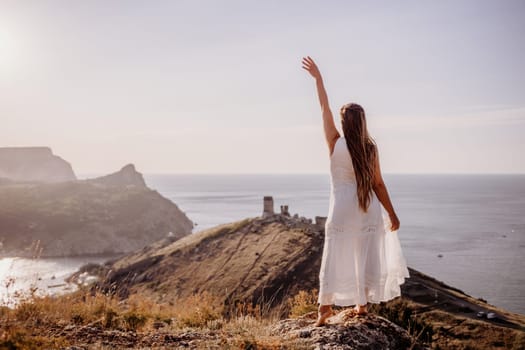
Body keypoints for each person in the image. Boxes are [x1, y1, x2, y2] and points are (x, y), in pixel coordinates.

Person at [301, 56, 409, 327]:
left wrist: (319, 79)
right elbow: (379, 184)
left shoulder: (335, 143)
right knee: (364, 253)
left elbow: (323, 107)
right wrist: (392, 214)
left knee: (336, 253)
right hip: (367, 208)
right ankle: (361, 305)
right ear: (362, 123)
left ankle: (324, 310)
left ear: (343, 122)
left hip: (341, 209)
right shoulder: (370, 149)